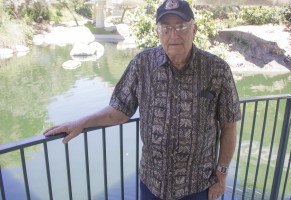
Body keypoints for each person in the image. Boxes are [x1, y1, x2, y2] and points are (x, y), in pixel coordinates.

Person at [43, 0, 241, 199]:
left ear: (194, 29)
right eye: (165, 28)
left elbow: (229, 125)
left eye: (181, 26)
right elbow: (118, 111)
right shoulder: (142, 63)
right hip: (152, 184)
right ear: (157, 32)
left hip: (197, 186)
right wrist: (81, 123)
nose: (173, 35)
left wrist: (221, 174)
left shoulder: (217, 69)